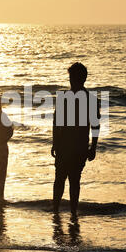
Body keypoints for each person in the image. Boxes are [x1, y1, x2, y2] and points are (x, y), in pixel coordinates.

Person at [51, 62, 101, 215]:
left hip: (68, 146)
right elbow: (95, 126)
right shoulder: (90, 100)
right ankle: (70, 213)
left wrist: (93, 147)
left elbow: (56, 122)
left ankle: (58, 212)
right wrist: (93, 147)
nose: (70, 81)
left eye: (71, 78)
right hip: (76, 146)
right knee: (73, 181)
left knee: (62, 180)